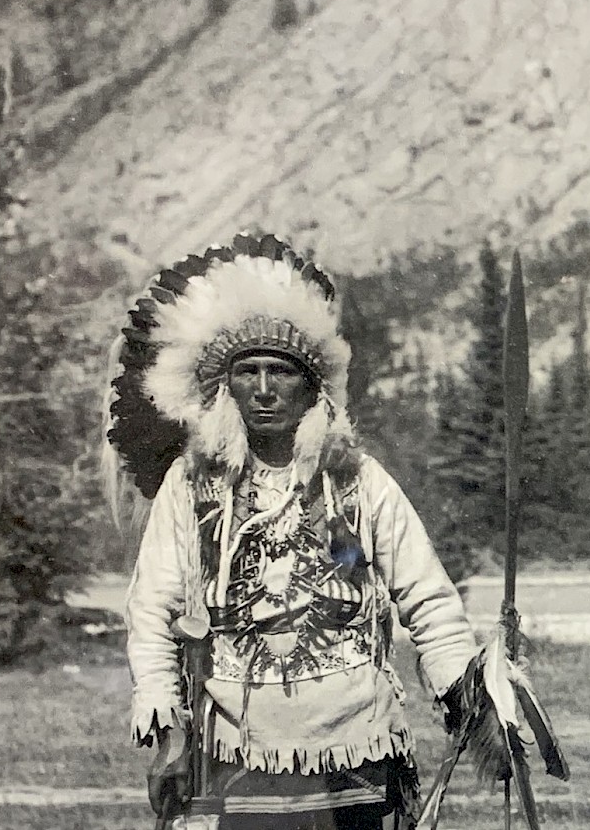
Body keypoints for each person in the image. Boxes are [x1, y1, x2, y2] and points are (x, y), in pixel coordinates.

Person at [113, 234, 491, 830]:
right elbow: (152, 613)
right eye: (250, 373)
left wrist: (474, 694)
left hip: (357, 752)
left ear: (312, 387)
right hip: (235, 749)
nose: (264, 390)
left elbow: (430, 601)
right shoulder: (192, 487)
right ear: (226, 387)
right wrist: (168, 733)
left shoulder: (358, 481)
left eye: (281, 372)